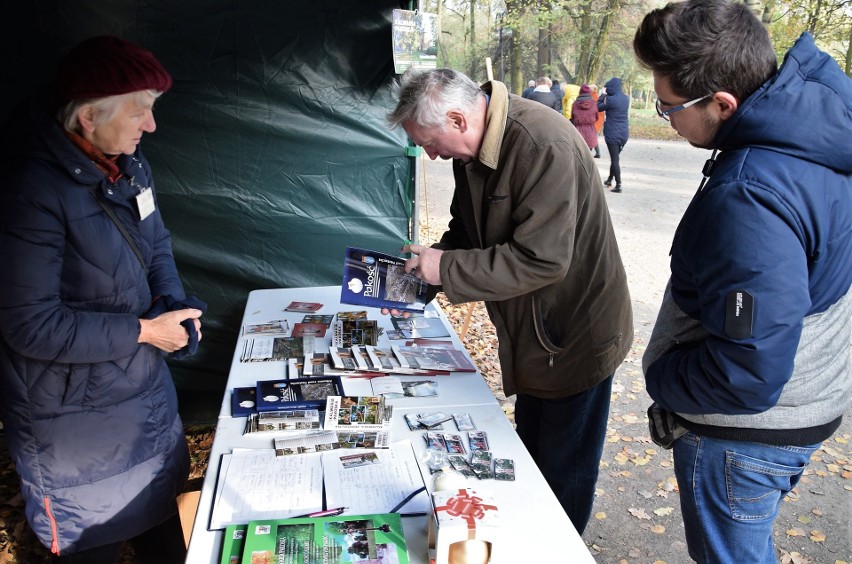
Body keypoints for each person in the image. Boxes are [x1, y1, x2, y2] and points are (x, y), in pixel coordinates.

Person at [633, 1, 852, 562]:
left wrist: (664, 378)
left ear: (723, 104)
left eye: (668, 106)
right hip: (801, 408)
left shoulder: (751, 194)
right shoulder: (812, 143)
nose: (668, 118)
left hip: (745, 436)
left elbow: (748, 374)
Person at [386, 68, 633, 534]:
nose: (430, 155)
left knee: (563, 470)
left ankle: (559, 546)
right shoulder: (473, 148)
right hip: (534, 335)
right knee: (532, 455)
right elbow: (467, 231)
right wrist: (427, 270)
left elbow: (542, 260)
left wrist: (448, 269)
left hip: (573, 336)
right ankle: (532, 538)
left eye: (429, 141)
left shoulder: (542, 145)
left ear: (459, 120)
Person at [0, 35, 206, 563]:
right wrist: (144, 331)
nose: (152, 126)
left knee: (163, 519)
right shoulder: (32, 192)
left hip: (141, 395)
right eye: (141, 112)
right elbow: (29, 325)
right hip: (73, 419)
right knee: (94, 537)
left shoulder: (130, 168)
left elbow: (156, 246)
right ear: (89, 117)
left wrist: (173, 309)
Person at [597, 77, 629, 192]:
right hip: (624, 133)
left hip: (612, 133)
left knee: (615, 159)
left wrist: (602, 95)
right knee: (615, 158)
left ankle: (619, 184)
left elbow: (597, 107)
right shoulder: (626, 98)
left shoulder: (611, 100)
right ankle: (610, 179)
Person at [570, 84, 600, 158]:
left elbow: (572, 117)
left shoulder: (575, 104)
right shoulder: (593, 103)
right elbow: (597, 117)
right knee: (587, 154)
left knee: (579, 154)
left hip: (578, 131)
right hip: (590, 130)